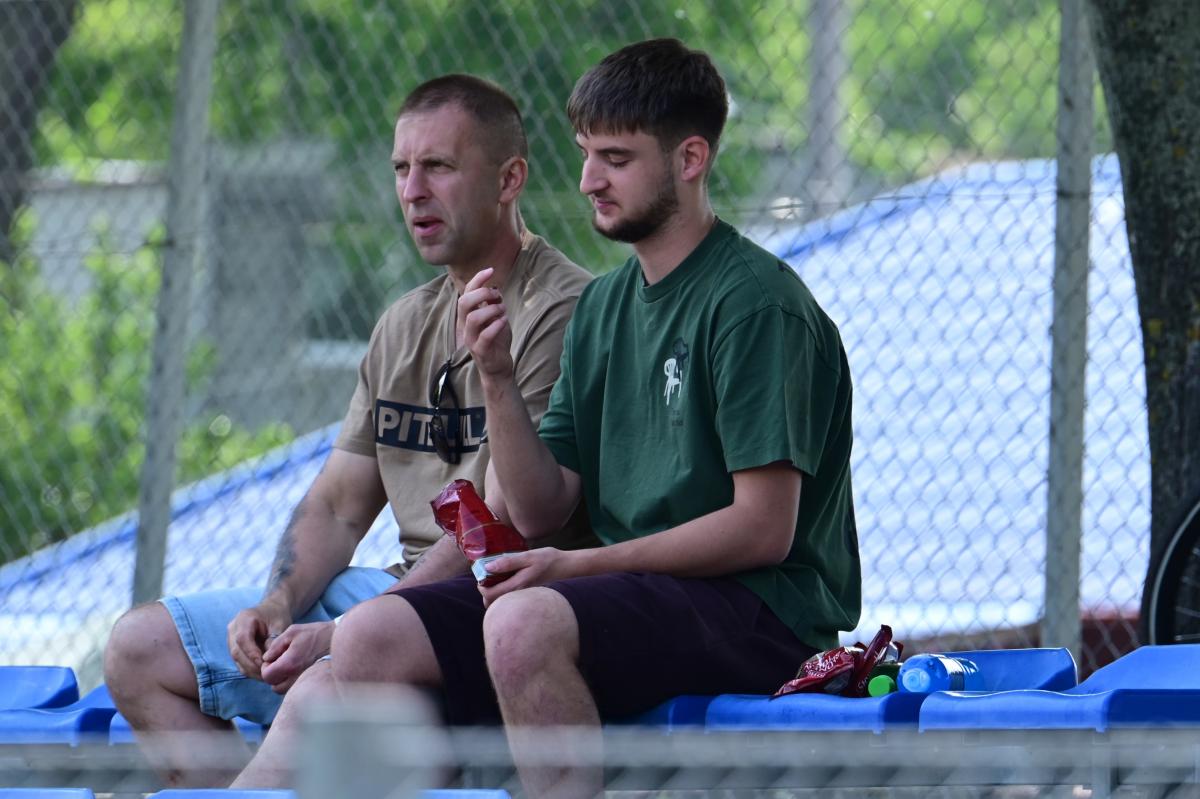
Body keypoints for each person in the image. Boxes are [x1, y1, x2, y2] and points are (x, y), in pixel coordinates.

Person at [329, 38, 862, 799]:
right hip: (632, 593)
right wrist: (498, 374)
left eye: (615, 158)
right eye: (585, 154)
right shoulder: (606, 304)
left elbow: (762, 531)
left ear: (690, 159)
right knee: (368, 636)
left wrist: (573, 568)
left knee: (521, 623)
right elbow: (539, 508)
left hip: (760, 609)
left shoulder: (756, 305)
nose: (588, 181)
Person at [102, 73, 594, 788]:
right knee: (138, 648)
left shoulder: (563, 308)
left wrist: (339, 634)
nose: (413, 190)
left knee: (323, 689)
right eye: (401, 168)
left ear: (509, 178)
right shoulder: (403, 323)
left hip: (486, 612)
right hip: (393, 592)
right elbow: (338, 505)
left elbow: (501, 525)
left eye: (439, 166)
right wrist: (276, 604)